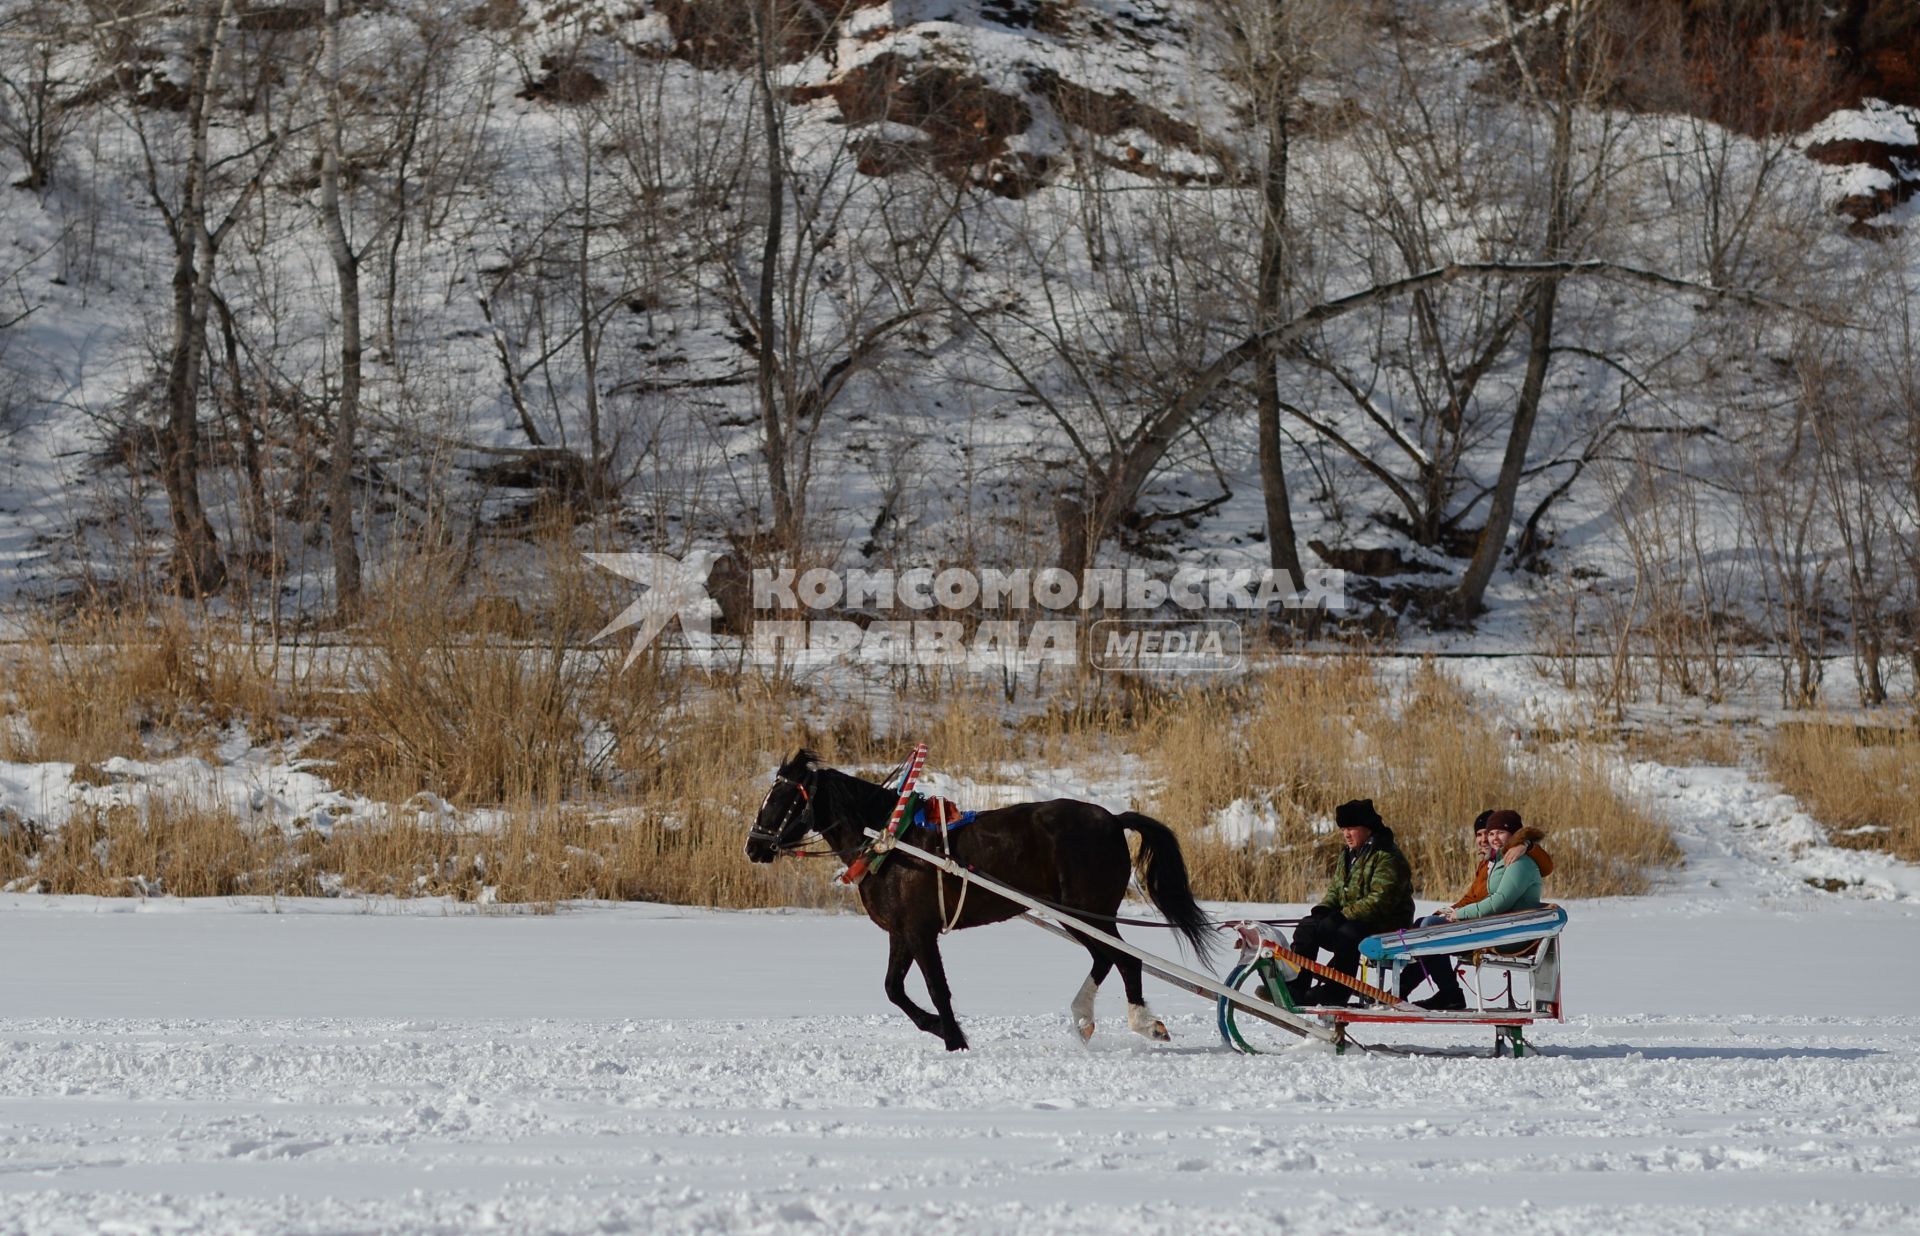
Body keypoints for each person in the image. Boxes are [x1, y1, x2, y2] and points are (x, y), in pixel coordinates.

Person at [1410, 808, 1550, 1011]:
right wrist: (1453, 912)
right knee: (1427, 928)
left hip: (1508, 935)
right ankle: (1440, 993)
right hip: (1494, 928)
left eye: (1500, 832)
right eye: (1490, 833)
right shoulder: (1499, 861)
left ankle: (1448, 994)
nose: (1493, 838)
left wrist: (1460, 915)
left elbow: (1499, 902)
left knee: (1431, 930)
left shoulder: (1519, 863)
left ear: (1514, 834)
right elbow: (1480, 898)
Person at [1284, 798, 1414, 1007]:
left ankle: (1337, 992)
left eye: (1351, 828)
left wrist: (1342, 915)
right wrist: (1324, 909)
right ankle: (1296, 987)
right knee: (1307, 928)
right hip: (1353, 919)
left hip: (1386, 924)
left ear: (1368, 829)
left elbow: (1379, 900)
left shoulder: (1387, 857)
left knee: (1348, 935)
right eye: (1343, 828)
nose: (1346, 834)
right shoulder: (1348, 854)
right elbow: (1336, 889)